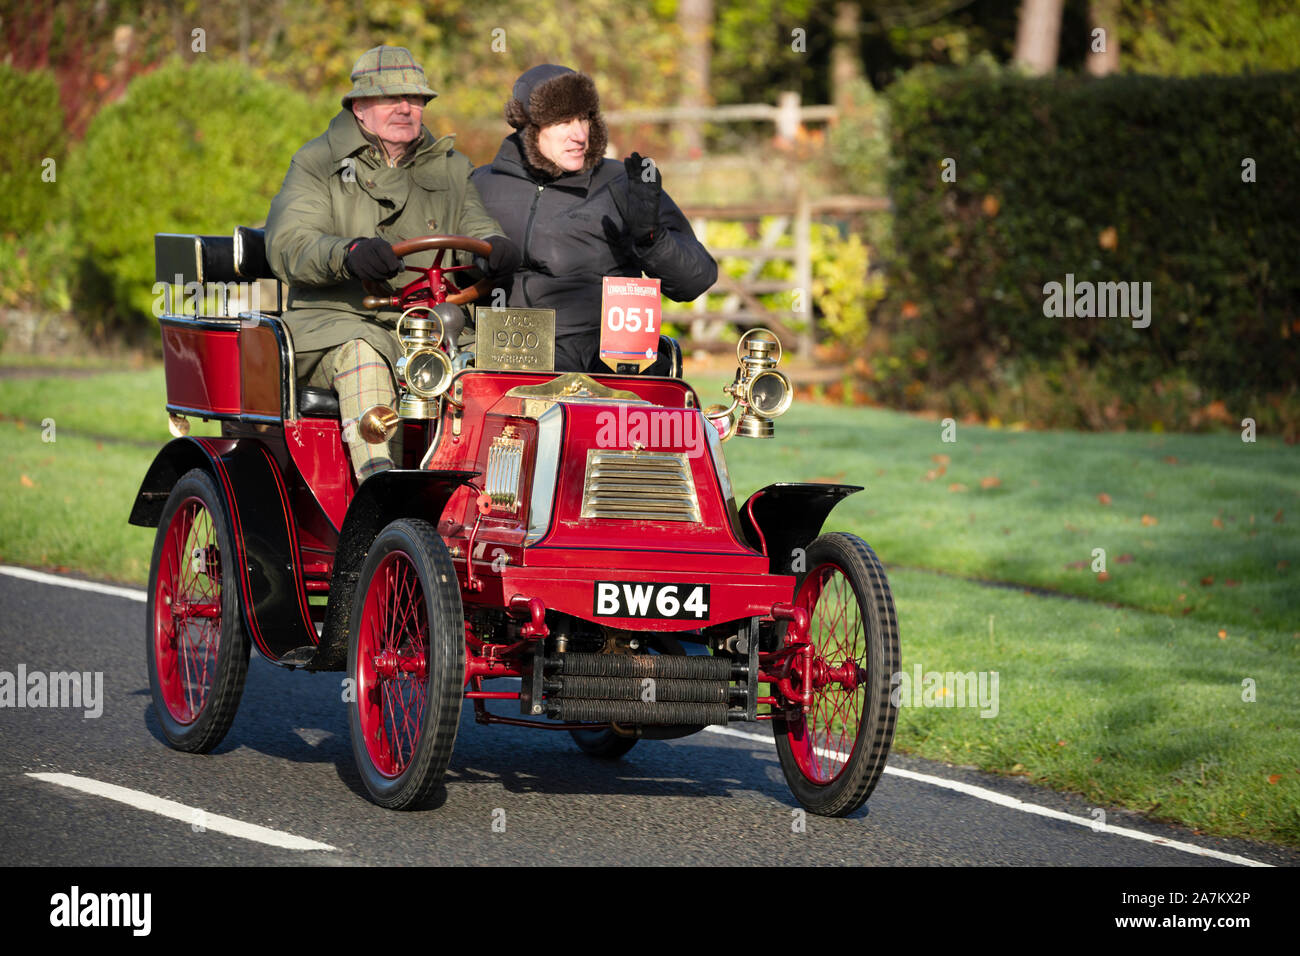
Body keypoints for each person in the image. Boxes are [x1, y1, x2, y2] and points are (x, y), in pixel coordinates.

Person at [266, 46, 521, 481]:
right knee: (367, 355)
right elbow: (290, 244)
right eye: (392, 99)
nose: (406, 108)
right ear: (360, 108)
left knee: (503, 365)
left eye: (416, 99)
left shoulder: (452, 170)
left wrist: (495, 248)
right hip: (338, 323)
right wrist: (348, 255)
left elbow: (477, 229)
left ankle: (489, 499)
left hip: (434, 327)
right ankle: (379, 496)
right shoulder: (317, 164)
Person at [471, 64, 716, 374]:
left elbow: (697, 279)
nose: (580, 135)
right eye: (563, 121)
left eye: (584, 118)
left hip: (606, 358)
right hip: (508, 351)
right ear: (527, 128)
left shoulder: (622, 183)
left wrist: (651, 240)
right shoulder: (480, 184)